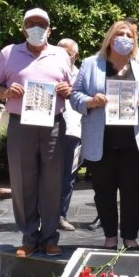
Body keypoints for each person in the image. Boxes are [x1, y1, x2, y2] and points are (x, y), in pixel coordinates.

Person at [0, 8, 73, 257]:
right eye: (31, 23)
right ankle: (28, 237)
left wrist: (67, 89)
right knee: (23, 181)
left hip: (54, 124)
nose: (36, 28)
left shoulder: (61, 54)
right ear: (23, 28)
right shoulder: (8, 53)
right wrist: (5, 92)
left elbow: (72, 86)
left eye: (41, 24)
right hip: (21, 124)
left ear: (50, 29)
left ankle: (50, 237)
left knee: (52, 181)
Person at [70, 21, 139, 251]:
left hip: (133, 140)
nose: (125, 37)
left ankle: (130, 236)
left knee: (133, 190)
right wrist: (90, 101)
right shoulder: (91, 64)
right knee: (104, 190)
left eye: (129, 34)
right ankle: (110, 236)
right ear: (110, 37)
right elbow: (74, 95)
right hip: (102, 140)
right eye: (120, 33)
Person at [57, 38, 82, 232]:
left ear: (76, 55)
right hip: (51, 131)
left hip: (75, 131)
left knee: (68, 177)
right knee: (47, 176)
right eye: (60, 51)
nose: (64, 55)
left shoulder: (81, 75)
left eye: (68, 52)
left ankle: (61, 215)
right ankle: (42, 215)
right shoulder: (50, 72)